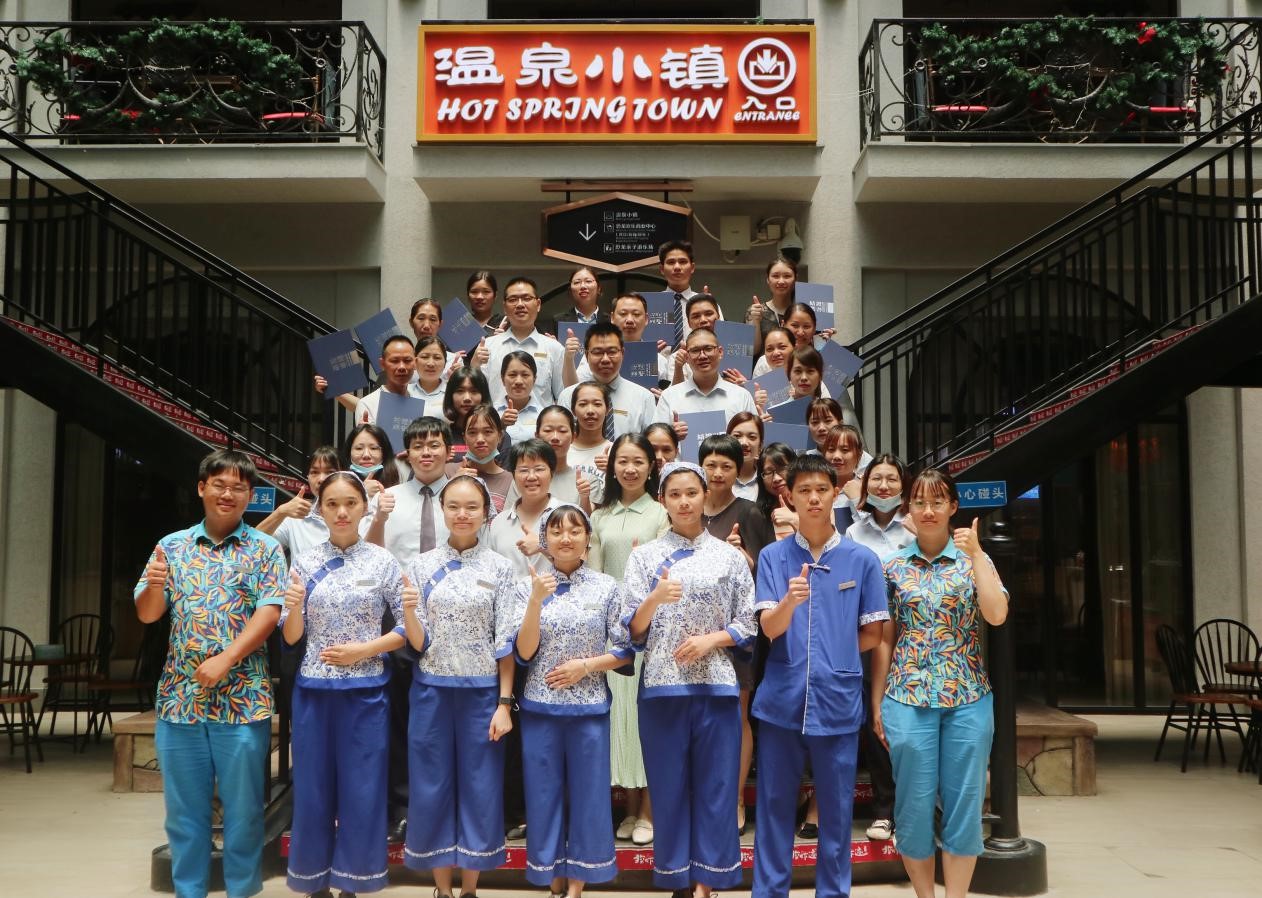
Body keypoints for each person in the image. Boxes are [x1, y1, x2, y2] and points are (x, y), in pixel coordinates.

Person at [134, 450, 286, 898]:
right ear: (202, 488)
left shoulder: (265, 548)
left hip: (243, 701)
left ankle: (241, 891)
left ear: (250, 495)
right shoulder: (171, 546)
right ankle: (189, 891)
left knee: (244, 813)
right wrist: (155, 586)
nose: (228, 494)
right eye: (219, 484)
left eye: (239, 487)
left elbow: (269, 612)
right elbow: (148, 613)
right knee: (184, 814)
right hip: (180, 701)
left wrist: (227, 659)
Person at [750, 454, 889, 898]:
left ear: (835, 493)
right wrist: (789, 603)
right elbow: (770, 629)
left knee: (836, 810)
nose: (813, 498)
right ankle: (769, 892)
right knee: (774, 807)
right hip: (781, 699)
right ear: (788, 496)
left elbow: (873, 633)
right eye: (804, 490)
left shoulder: (862, 559)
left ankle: (833, 893)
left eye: (822, 490)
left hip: (838, 698)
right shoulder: (773, 557)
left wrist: (833, 655)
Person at [620, 461, 756, 898]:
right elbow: (632, 631)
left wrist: (712, 640)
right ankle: (678, 879)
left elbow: (748, 623)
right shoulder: (643, 557)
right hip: (661, 688)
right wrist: (654, 598)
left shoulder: (730, 557)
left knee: (717, 787)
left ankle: (707, 883)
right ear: (662, 500)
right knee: (668, 787)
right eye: (674, 494)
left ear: (705, 496)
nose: (683, 502)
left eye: (691, 493)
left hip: (717, 686)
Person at [873, 469, 1009, 898]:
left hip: (968, 695)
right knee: (912, 808)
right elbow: (884, 639)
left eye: (937, 502)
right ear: (908, 508)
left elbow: (996, 615)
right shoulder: (893, 566)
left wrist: (978, 555)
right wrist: (876, 703)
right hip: (906, 696)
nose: (928, 511)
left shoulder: (976, 561)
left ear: (953, 507)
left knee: (964, 806)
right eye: (919, 502)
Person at [281, 471, 409, 898]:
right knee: (313, 788)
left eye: (350, 503)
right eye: (332, 503)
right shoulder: (304, 561)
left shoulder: (382, 561)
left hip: (367, 692)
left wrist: (365, 650)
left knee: (363, 789)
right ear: (319, 509)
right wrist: (293, 607)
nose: (341, 512)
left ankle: (354, 881)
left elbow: (409, 629)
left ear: (364, 507)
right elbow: (292, 637)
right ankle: (314, 882)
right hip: (314, 691)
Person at [402, 475, 521, 898]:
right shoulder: (420, 566)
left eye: (472, 507)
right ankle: (442, 889)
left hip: (483, 694)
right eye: (454, 506)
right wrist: (410, 613)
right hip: (431, 692)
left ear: (486, 512)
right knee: (430, 786)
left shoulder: (501, 568)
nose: (462, 514)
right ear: (443, 510)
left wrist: (504, 703)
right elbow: (416, 642)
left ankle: (470, 888)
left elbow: (506, 642)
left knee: (480, 787)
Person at [512, 505, 631, 896]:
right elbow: (524, 652)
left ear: (587, 538)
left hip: (589, 709)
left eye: (575, 530)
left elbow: (625, 650)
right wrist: (535, 601)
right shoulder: (526, 585)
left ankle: (578, 882)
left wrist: (586, 666)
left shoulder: (607, 587)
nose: (566, 538)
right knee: (543, 794)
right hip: (539, 708)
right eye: (557, 531)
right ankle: (552, 878)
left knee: (589, 797)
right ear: (544, 539)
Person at [588, 433, 668, 847]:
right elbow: (594, 574)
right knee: (620, 719)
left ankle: (651, 811)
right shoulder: (599, 515)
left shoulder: (660, 513)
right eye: (623, 461)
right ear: (612, 466)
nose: (630, 468)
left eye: (638, 461)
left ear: (651, 466)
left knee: (645, 721)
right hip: (612, 630)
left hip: (650, 626)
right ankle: (632, 807)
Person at [697, 434, 775, 836]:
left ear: (738, 469)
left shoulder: (750, 512)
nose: (718, 473)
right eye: (710, 465)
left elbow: (769, 571)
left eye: (726, 466)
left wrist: (744, 558)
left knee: (736, 714)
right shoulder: (688, 509)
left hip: (739, 632)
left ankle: (736, 798)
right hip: (692, 632)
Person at [844, 453, 914, 843]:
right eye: (876, 479)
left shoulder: (914, 530)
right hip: (869, 637)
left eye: (891, 480)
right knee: (876, 722)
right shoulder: (853, 533)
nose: (883, 487)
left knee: (905, 724)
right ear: (865, 484)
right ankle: (884, 810)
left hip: (912, 639)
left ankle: (911, 809)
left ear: (904, 487)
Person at [366, 417, 452, 563]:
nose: (426, 452)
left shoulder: (463, 500)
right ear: (408, 455)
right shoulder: (385, 498)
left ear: (449, 452)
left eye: (434, 445)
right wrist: (378, 520)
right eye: (418, 447)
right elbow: (367, 554)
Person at [475, 276, 565, 411]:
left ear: (538, 304)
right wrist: (474, 365)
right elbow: (476, 394)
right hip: (496, 422)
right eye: (513, 299)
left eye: (527, 298)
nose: (520, 304)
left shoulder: (554, 348)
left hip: (540, 423)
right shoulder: (487, 346)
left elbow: (563, 396)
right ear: (504, 307)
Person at [559, 322, 658, 435]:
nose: (605, 359)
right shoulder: (568, 395)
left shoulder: (643, 397)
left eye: (612, 352)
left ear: (622, 353)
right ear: (586, 355)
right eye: (598, 352)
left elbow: (652, 440)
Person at [654, 327, 757, 431]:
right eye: (695, 350)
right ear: (687, 357)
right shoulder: (669, 396)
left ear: (720, 352)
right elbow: (656, 438)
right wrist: (672, 435)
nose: (702, 356)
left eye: (708, 349)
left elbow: (753, 436)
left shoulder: (741, 396)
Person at [487, 438, 561, 581]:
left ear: (552, 472)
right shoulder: (498, 522)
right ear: (513, 475)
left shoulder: (570, 515)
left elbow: (581, 567)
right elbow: (491, 575)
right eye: (523, 470)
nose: (531, 477)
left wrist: (543, 547)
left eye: (539, 469)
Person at [256, 446, 338, 559]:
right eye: (314, 472)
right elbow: (252, 547)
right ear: (308, 477)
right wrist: (280, 512)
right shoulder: (296, 517)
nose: (321, 479)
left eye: (330, 472)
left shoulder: (358, 516)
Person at [446, 403, 514, 514]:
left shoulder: (511, 481)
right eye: (472, 432)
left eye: (488, 432)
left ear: (500, 436)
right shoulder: (447, 472)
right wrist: (452, 483)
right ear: (464, 438)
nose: (480, 439)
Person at [353, 335, 426, 432]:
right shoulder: (367, 404)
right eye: (394, 361)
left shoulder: (423, 400)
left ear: (415, 363)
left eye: (407, 360)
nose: (401, 367)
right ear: (382, 364)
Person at [605, 291, 675, 386]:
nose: (629, 320)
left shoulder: (659, 360)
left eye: (636, 314)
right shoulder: (598, 356)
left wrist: (662, 394)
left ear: (646, 319)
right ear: (612, 318)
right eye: (623, 314)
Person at [566, 381, 612, 506]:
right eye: (583, 404)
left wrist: (614, 470)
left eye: (597, 404)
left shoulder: (616, 451)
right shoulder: (562, 450)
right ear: (573, 410)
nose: (590, 410)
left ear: (607, 409)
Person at [442, 366, 501, 462]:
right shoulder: (442, 436)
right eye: (460, 391)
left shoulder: (498, 435)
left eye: (474, 391)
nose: (467, 398)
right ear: (450, 396)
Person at [747, 257, 799, 359]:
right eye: (775, 276)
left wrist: (824, 339)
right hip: (764, 368)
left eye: (787, 276)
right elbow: (751, 351)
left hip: (796, 368)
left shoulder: (802, 313)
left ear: (795, 279)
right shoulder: (755, 311)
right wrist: (756, 321)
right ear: (768, 279)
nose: (781, 281)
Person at [543, 265, 609, 340]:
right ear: (570, 290)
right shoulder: (557, 321)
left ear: (599, 288)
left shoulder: (610, 321)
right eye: (577, 282)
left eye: (588, 281)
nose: (583, 286)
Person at [341, 423, 401, 500]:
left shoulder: (399, 478)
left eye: (373, 448)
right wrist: (363, 493)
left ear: (384, 452)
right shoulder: (337, 482)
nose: (366, 455)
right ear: (349, 452)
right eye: (359, 448)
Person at [497, 350, 544, 444]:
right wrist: (500, 426)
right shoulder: (491, 413)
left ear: (534, 379)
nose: (518, 381)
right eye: (512, 375)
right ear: (502, 379)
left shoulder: (544, 415)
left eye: (525, 375)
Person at [757, 443, 800, 541]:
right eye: (768, 472)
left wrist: (794, 520)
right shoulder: (757, 516)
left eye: (782, 468)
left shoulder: (814, 507)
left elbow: (823, 547)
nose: (776, 478)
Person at [727, 412, 764, 501]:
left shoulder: (768, 480)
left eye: (752, 437)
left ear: (760, 446)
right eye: (737, 436)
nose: (744, 443)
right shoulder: (715, 479)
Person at [414, 335, 453, 416]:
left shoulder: (454, 393)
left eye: (437, 358)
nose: (431, 363)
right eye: (425, 357)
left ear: (445, 363)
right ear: (415, 361)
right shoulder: (403, 392)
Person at [466, 270, 506, 339]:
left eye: (486, 292)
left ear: (495, 295)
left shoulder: (506, 324)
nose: (479, 297)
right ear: (468, 296)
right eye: (474, 292)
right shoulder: (460, 326)